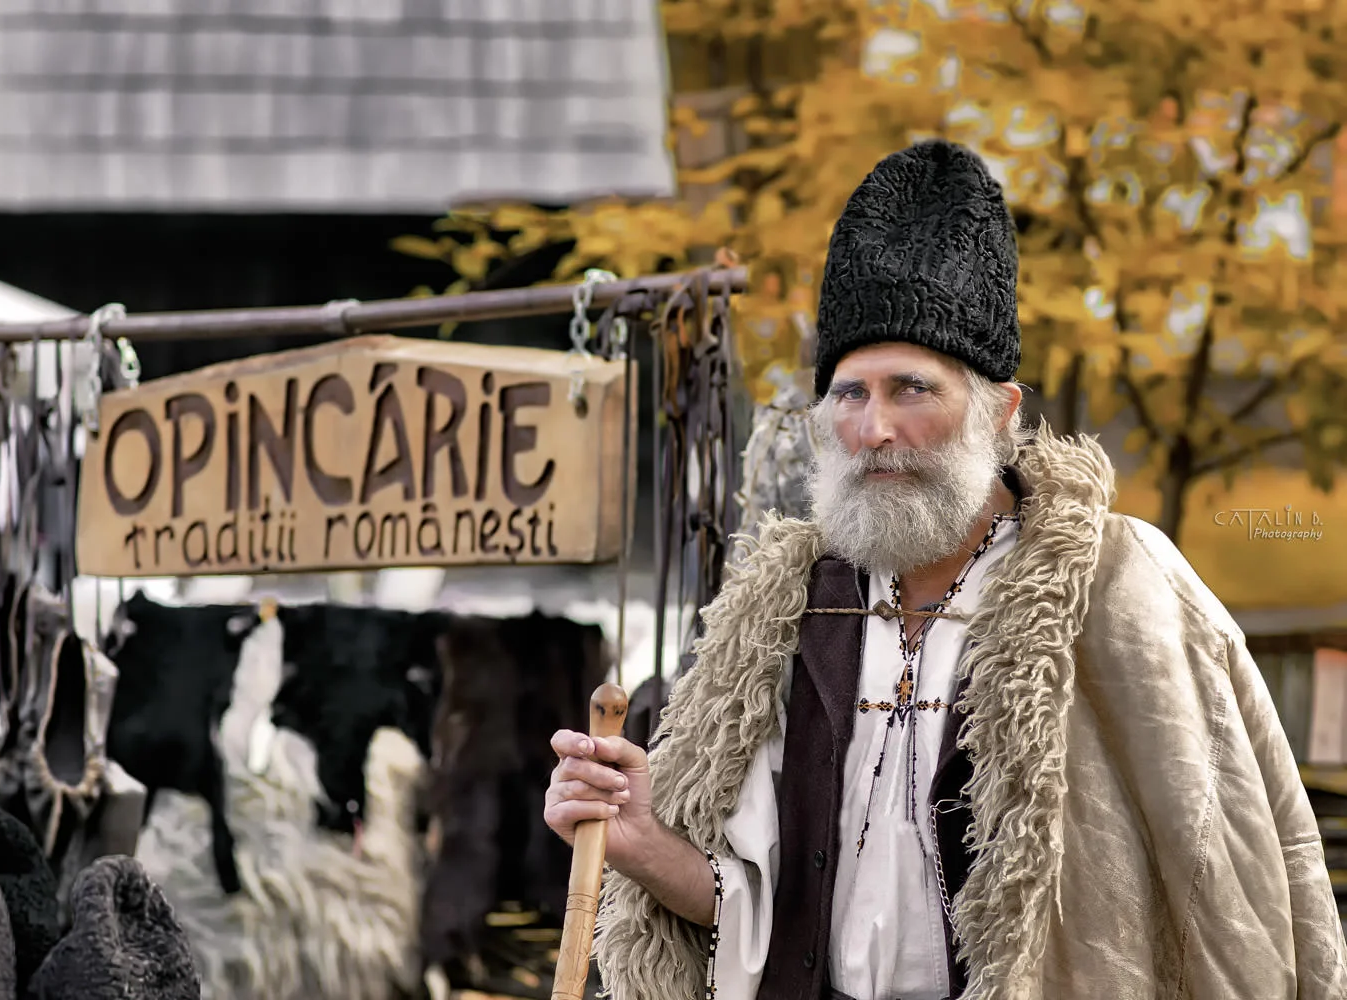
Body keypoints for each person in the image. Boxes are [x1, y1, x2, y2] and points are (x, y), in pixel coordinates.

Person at [543, 138, 1347, 1000]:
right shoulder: (794, 612)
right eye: (850, 394)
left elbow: (1230, 894)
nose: (875, 428)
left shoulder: (1117, 586)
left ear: (1000, 413)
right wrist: (639, 841)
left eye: (912, 389)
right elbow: (771, 923)